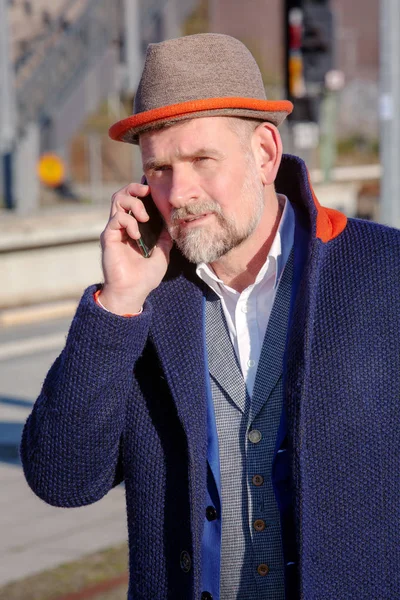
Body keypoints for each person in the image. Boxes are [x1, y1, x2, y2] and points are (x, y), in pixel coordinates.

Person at [21, 33, 400, 600]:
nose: (180, 192)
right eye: (160, 169)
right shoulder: (138, 302)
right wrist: (118, 305)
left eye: (202, 159)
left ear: (266, 154)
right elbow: (62, 479)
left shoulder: (384, 272)